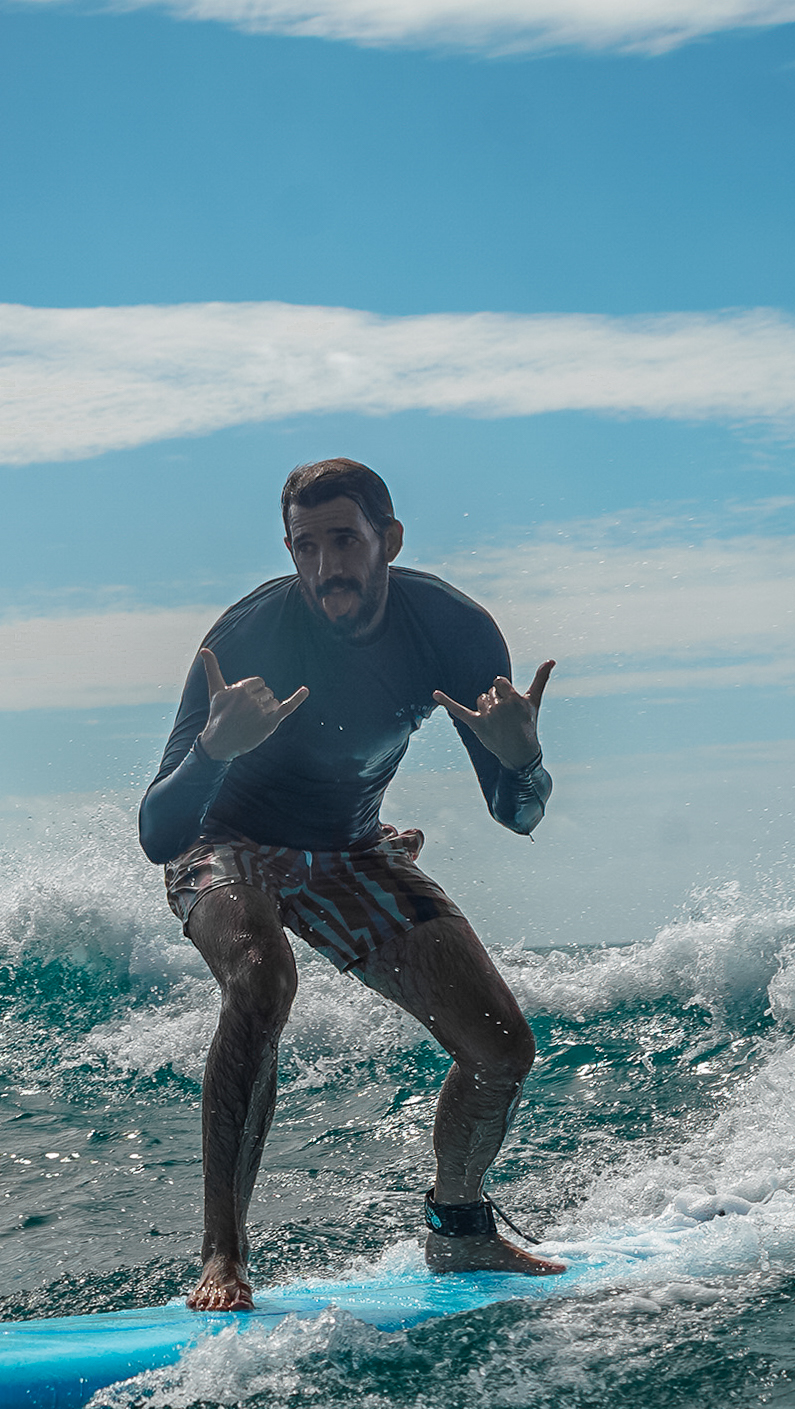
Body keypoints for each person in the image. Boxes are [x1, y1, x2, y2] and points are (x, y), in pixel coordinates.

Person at [139, 458, 562, 1311]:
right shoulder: (244, 639)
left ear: (388, 540)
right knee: (262, 977)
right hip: (226, 842)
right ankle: (223, 1255)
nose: (327, 565)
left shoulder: (454, 631)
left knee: (501, 1048)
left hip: (348, 844)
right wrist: (213, 754)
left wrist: (526, 764)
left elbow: (518, 815)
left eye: (345, 540)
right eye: (306, 546)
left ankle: (460, 1232)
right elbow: (158, 833)